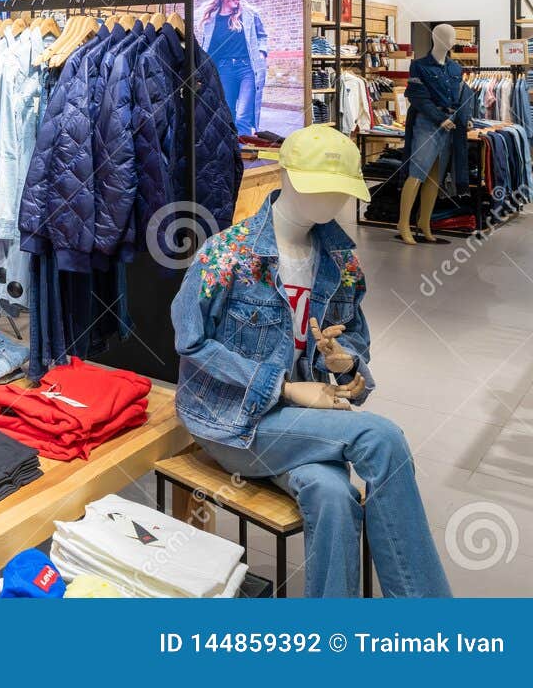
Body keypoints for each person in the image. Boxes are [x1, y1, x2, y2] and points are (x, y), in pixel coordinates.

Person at [172, 126, 450, 598]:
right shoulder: (227, 255)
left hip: (304, 422)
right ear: (287, 177)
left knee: (333, 495)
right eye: (319, 188)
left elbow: (354, 345)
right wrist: (281, 386)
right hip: (232, 421)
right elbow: (192, 344)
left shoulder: (340, 262)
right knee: (380, 437)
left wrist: (345, 367)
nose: (329, 203)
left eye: (339, 192)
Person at [197, 0, 268, 135]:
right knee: (227, 112)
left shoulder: (250, 14)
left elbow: (262, 36)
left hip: (247, 69)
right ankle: (232, 152)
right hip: (224, 69)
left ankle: (244, 154)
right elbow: (208, 47)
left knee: (243, 115)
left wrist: (262, 53)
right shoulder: (211, 19)